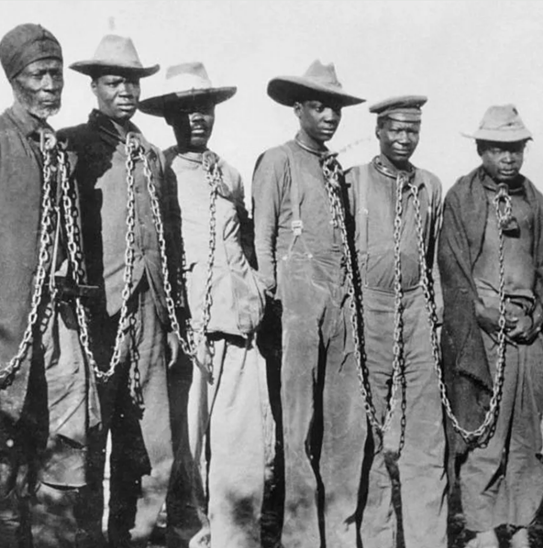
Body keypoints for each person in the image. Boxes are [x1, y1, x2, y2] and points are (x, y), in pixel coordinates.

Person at [0, 23, 101, 547]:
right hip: (0, 331)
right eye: (39, 74)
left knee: (66, 451)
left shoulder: (63, 151)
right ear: (15, 79)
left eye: (57, 73)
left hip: (62, 330)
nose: (52, 84)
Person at [139, 62, 275, 548]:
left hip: (237, 328)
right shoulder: (159, 171)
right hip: (186, 330)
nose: (198, 118)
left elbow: (247, 245)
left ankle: (237, 540)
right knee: (186, 449)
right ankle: (186, 537)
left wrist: (256, 291)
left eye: (205, 109)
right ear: (171, 117)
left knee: (240, 450)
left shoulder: (231, 174)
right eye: (186, 110)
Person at [58, 34, 183, 548]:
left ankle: (134, 536)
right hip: (97, 313)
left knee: (149, 439)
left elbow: (169, 238)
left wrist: (174, 320)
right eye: (113, 81)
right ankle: (83, 536)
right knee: (91, 432)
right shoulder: (73, 145)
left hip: (150, 309)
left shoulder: (152, 153)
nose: (125, 90)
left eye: (131, 81)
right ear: (94, 87)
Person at [439, 105, 543, 548]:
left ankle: (518, 525)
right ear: (481, 149)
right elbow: (453, 271)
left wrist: (536, 316)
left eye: (516, 148)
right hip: (482, 334)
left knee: (524, 433)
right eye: (499, 148)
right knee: (484, 434)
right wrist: (486, 315)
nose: (509, 158)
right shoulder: (461, 197)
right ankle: (480, 529)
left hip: (527, 335)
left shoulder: (534, 198)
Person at [251, 60, 364, 548]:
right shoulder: (277, 161)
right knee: (297, 427)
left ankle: (340, 531)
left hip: (340, 301)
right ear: (297, 109)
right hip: (295, 300)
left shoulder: (336, 168)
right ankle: (300, 536)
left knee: (344, 423)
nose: (329, 116)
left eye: (335, 107)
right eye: (319, 107)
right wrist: (273, 303)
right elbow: (262, 241)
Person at [344, 96, 447, 547]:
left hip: (419, 308)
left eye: (413, 130)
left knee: (425, 433)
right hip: (370, 309)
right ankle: (378, 538)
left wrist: (435, 310)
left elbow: (435, 254)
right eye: (396, 130)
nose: (404, 139)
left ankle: (428, 538)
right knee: (368, 432)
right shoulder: (355, 182)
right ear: (379, 131)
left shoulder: (430, 186)